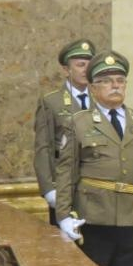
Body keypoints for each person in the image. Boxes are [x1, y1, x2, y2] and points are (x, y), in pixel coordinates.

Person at [54, 51, 133, 266]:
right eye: (107, 81)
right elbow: (66, 173)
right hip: (94, 216)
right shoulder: (78, 123)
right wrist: (63, 215)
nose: (115, 86)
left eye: (120, 80)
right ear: (93, 88)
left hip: (132, 216)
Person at [33, 38, 96, 225]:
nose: (86, 70)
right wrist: (48, 189)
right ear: (66, 70)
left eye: (89, 65)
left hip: (96, 189)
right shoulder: (52, 102)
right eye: (80, 65)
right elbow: (43, 148)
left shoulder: (101, 100)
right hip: (64, 188)